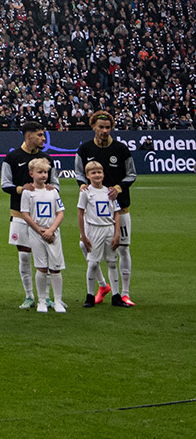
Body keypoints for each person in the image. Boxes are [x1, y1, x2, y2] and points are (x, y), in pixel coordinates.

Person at [75, 112, 137, 307]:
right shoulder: (85, 149)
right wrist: (82, 185)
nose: (104, 131)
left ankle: (124, 293)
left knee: (123, 250)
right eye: (100, 127)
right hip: (93, 210)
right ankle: (102, 285)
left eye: (107, 127)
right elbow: (78, 172)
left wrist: (118, 188)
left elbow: (132, 174)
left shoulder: (121, 149)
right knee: (86, 246)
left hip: (119, 208)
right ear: (93, 126)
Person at [1, 122, 49, 310]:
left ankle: (45, 297)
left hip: (43, 217)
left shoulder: (45, 157)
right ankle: (29, 295)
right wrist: (22, 189)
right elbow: (5, 184)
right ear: (28, 136)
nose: (43, 139)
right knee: (24, 257)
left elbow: (55, 183)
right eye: (40, 135)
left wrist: (51, 187)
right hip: (19, 215)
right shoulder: (12, 157)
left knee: (45, 258)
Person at [19, 157, 67, 314]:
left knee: (56, 268)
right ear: (31, 174)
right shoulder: (27, 193)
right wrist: (40, 230)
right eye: (40, 172)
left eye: (46, 172)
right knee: (41, 267)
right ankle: (41, 300)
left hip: (53, 233)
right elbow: (25, 214)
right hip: (36, 234)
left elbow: (60, 213)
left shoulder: (53, 191)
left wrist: (51, 229)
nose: (44, 175)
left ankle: (58, 300)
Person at [79, 160, 118, 308]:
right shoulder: (86, 192)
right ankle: (89, 296)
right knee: (93, 262)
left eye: (99, 172)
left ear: (103, 174)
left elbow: (116, 213)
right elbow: (80, 213)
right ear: (88, 176)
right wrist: (83, 234)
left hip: (109, 228)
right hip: (94, 230)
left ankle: (116, 296)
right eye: (93, 173)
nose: (97, 175)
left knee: (112, 262)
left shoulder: (109, 191)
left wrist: (117, 234)